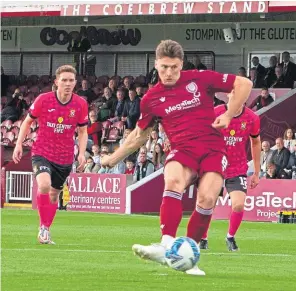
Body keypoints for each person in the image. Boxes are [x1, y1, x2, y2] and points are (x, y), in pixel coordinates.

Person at [101, 39, 252, 276]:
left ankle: (184, 256)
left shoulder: (200, 78)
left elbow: (244, 83)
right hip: (182, 149)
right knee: (172, 182)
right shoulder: (151, 98)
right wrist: (112, 159)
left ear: (181, 65)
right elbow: (139, 136)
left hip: (213, 149)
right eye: (164, 67)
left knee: (207, 199)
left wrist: (230, 115)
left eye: (174, 67)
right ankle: (166, 243)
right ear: (156, 65)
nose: (169, 72)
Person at [12, 65, 88, 244]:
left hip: (65, 156)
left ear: (75, 83)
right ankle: (43, 228)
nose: (68, 84)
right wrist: (18, 144)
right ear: (56, 82)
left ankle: (45, 228)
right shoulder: (43, 100)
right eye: (64, 80)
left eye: (71, 80)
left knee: (54, 195)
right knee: (44, 185)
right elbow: (27, 122)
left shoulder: (80, 104)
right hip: (42, 151)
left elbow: (83, 131)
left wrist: (82, 154)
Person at [200, 91, 261, 251]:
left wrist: (256, 171)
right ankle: (203, 237)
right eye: (234, 94)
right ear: (229, 96)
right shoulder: (216, 112)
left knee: (239, 205)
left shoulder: (252, 118)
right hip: (215, 166)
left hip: (237, 168)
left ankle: (230, 237)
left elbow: (255, 143)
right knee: (208, 203)